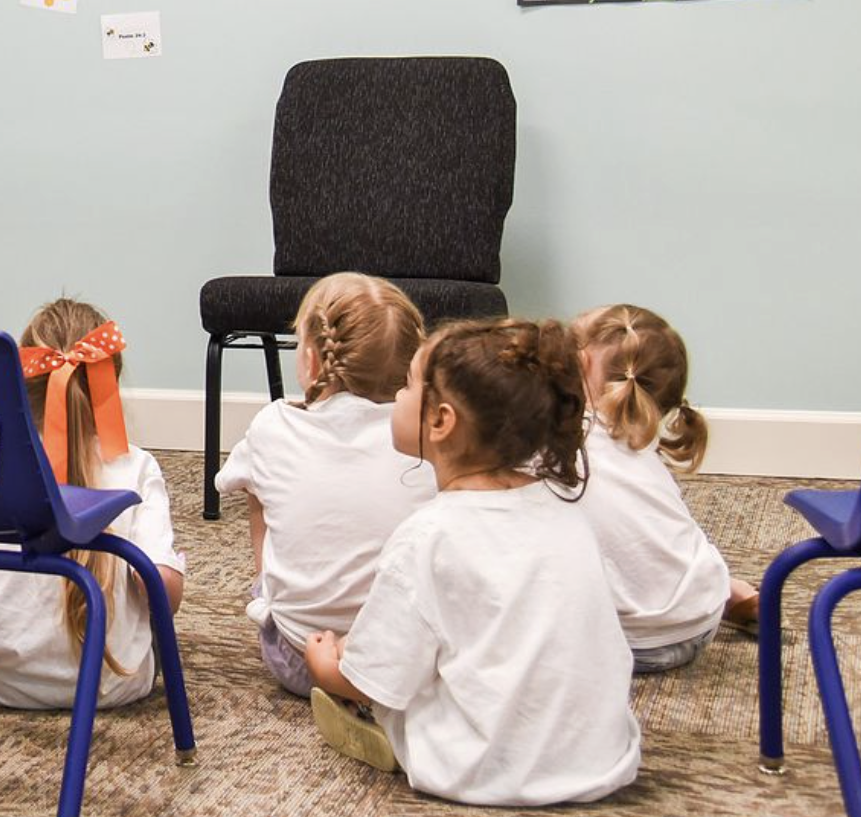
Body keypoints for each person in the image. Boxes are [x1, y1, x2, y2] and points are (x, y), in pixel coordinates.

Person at [304, 319, 640, 806]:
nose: (396, 397)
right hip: (602, 757)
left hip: (479, 771)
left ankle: (385, 739)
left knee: (370, 670)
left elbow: (373, 678)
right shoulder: (566, 508)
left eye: (407, 385)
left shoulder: (428, 536)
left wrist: (326, 667)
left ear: (441, 420)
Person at [0, 300, 186, 710]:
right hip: (113, 686)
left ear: (20, 384)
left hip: (1, 683)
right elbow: (160, 591)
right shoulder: (136, 467)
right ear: (110, 383)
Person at [212, 274, 432, 696]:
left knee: (256, 491)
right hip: (403, 657)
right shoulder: (428, 435)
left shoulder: (274, 424)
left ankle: (279, 595)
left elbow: (230, 482)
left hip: (299, 658)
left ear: (312, 361)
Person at [573, 304, 759, 671]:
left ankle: (710, 591)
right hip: (700, 620)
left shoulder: (553, 441)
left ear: (578, 365)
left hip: (631, 645)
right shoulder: (640, 446)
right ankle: (720, 589)